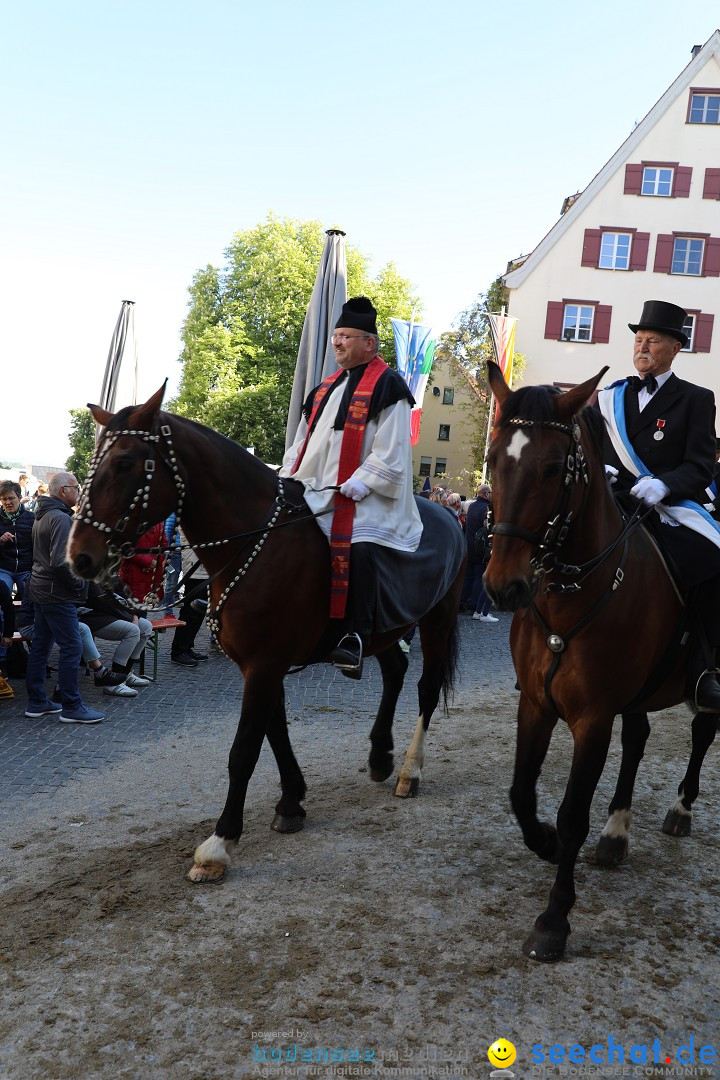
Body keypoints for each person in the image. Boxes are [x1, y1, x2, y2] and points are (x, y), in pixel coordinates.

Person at [280, 296, 422, 677]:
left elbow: (392, 451)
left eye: (345, 336)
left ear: (369, 344)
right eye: (335, 336)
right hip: (315, 486)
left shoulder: (389, 385)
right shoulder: (324, 388)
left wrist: (360, 482)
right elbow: (301, 441)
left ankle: (355, 636)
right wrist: (286, 473)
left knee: (359, 546)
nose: (337, 342)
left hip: (368, 496)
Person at [597, 299, 720, 712]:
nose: (642, 346)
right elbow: (593, 449)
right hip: (613, 501)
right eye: (638, 339)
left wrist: (665, 485)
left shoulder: (696, 399)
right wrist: (602, 471)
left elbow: (702, 465)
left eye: (653, 340)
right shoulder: (611, 398)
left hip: (667, 508)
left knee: (711, 559)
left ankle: (704, 669)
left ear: (674, 348)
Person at [24, 472, 104, 724]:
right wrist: (78, 582)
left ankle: (37, 702)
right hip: (55, 593)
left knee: (41, 647)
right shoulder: (60, 518)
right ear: (62, 491)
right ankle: (71, 705)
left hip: (42, 590)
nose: (78, 491)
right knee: (72, 647)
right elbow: (60, 562)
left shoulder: (44, 515)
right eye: (76, 487)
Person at [461, 484, 498, 623]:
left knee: (468, 576)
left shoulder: (472, 506)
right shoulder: (485, 508)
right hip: (480, 548)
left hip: (469, 545)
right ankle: (475, 606)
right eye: (490, 492)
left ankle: (463, 601)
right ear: (486, 494)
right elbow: (487, 528)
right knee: (478, 577)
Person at [118, 521, 167, 608]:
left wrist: (154, 562)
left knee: (144, 611)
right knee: (132, 610)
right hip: (133, 574)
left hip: (151, 576)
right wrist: (147, 561)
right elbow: (124, 546)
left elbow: (163, 546)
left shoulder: (158, 523)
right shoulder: (130, 520)